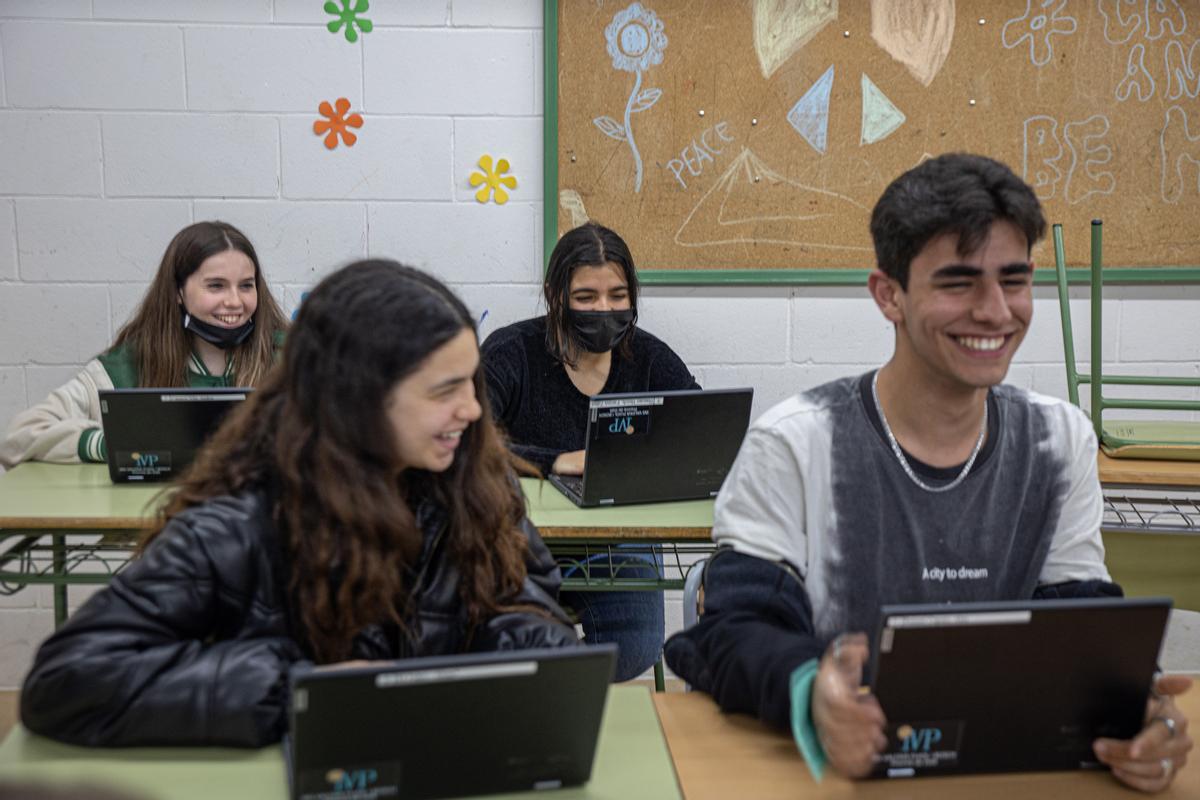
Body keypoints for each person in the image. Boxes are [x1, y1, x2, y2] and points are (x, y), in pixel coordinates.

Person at [664, 153, 1193, 791]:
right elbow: (735, 629)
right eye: (958, 283)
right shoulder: (796, 442)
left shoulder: (1058, 440)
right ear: (889, 295)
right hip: (842, 778)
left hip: (998, 770)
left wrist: (1132, 706)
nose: (996, 311)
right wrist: (813, 690)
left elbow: (1075, 612)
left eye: (1015, 279)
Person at [20, 260, 579, 747]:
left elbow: (528, 607)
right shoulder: (239, 521)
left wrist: (523, 663)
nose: (473, 410)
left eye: (470, 385)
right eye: (443, 390)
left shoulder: (478, 489)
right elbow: (67, 680)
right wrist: (299, 690)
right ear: (355, 397)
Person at [481, 222, 699, 682]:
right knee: (492, 637)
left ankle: (549, 681)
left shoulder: (649, 357)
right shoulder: (511, 351)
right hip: (517, 538)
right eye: (586, 298)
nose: (604, 310)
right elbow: (468, 437)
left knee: (638, 647)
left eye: (618, 296)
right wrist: (555, 461)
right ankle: (533, 680)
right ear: (555, 295)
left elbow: (699, 422)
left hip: (614, 542)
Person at [0, 220, 287, 469]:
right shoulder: (129, 364)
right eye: (216, 286)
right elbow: (20, 436)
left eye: (246, 285)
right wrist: (113, 445)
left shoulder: (292, 357)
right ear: (178, 292)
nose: (235, 301)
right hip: (161, 521)